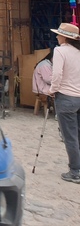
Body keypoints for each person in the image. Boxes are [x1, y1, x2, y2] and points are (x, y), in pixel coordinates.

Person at [48, 23, 80, 184]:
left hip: (66, 97)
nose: (56, 37)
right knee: (77, 135)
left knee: (70, 137)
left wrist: (52, 90)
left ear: (65, 37)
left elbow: (57, 74)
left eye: (59, 34)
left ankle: (75, 171)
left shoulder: (60, 51)